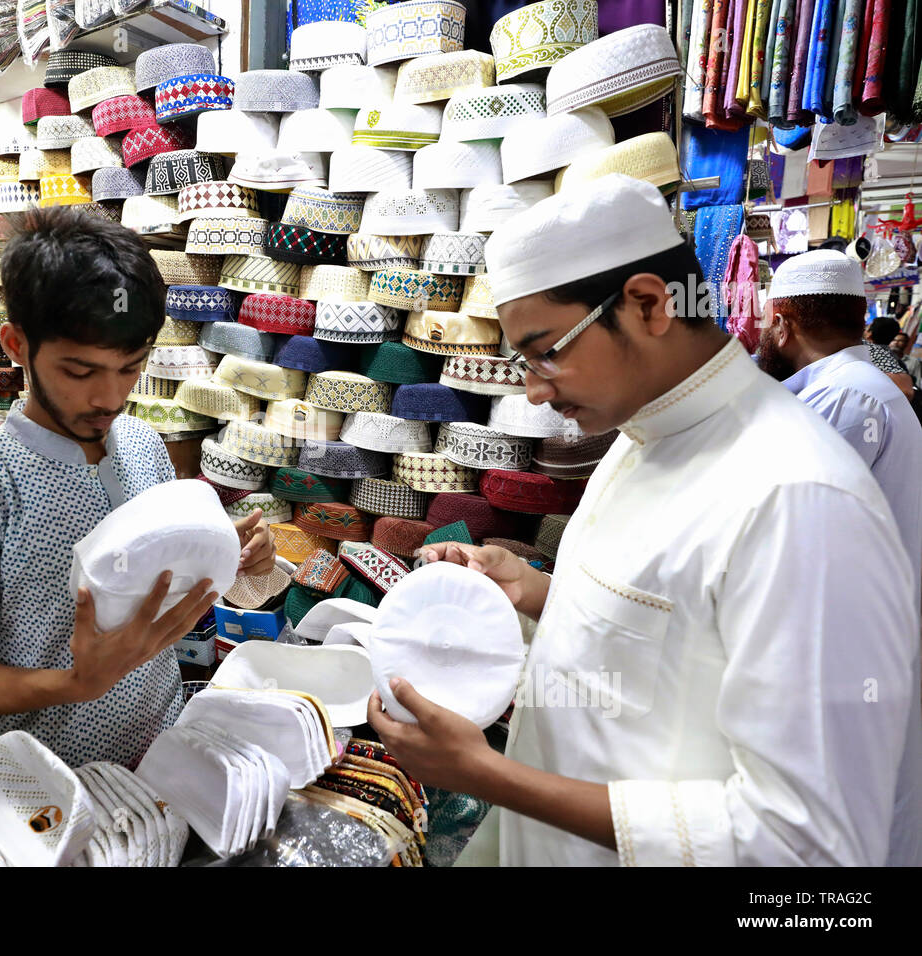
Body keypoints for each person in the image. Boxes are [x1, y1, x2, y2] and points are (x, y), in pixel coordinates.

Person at [367, 175, 922, 866]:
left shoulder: (797, 499)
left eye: (546, 352)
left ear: (648, 304)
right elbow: (670, 631)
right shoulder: (643, 435)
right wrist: (533, 590)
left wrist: (486, 776)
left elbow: (804, 846)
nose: (535, 391)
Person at [0, 206, 276, 769]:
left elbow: (151, 586)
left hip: (162, 757)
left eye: (130, 367)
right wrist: (74, 682)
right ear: (16, 345)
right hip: (44, 784)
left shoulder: (142, 444)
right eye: (80, 372)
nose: (109, 397)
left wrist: (226, 556)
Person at [755, 248, 922, 600]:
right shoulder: (857, 386)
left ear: (782, 326)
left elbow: (786, 526)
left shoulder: (845, 397)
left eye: (767, 324)